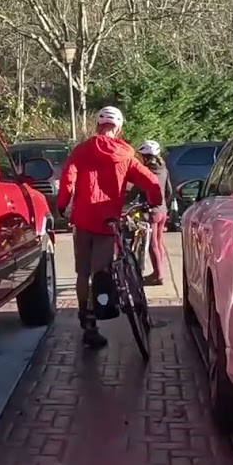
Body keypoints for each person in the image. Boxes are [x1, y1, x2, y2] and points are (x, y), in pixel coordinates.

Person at [56, 106, 164, 349]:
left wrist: (62, 205)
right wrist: (155, 200)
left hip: (83, 220)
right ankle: (102, 308)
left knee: (82, 273)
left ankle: (87, 323)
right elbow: (151, 181)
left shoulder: (81, 151)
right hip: (107, 223)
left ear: (98, 125)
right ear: (119, 128)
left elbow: (68, 179)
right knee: (100, 273)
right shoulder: (125, 155)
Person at [127, 140, 172, 286]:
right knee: (158, 243)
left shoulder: (146, 171)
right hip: (162, 210)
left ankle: (158, 276)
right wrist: (164, 205)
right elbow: (169, 191)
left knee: (152, 245)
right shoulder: (163, 169)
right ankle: (159, 272)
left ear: (145, 157)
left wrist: (124, 201)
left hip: (151, 211)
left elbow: (135, 191)